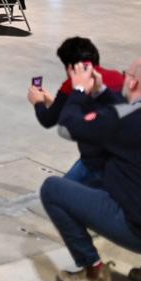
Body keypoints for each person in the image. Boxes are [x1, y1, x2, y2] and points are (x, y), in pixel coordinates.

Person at [40, 57, 141, 281]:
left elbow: (67, 127)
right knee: (125, 172)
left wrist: (78, 90)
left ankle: (93, 273)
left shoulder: (118, 121)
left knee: (52, 190)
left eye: (127, 73)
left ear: (132, 83)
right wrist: (101, 92)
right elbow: (131, 111)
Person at [27, 37, 126, 188]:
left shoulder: (71, 86)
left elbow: (48, 120)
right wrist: (53, 102)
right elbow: (88, 109)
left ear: (70, 67)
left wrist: (37, 102)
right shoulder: (118, 77)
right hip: (122, 156)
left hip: (96, 160)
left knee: (58, 193)